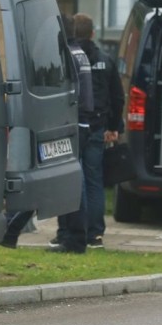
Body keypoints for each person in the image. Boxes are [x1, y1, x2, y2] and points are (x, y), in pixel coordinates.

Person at [73, 13, 125, 249]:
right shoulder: (106, 59)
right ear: (93, 33)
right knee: (94, 179)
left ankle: (73, 231)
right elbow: (117, 96)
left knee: (74, 178)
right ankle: (95, 234)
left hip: (73, 127)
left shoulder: (69, 58)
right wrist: (114, 127)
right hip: (97, 128)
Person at [45, 16, 95, 254]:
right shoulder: (79, 53)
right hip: (82, 124)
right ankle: (69, 235)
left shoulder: (68, 56)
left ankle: (74, 239)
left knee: (74, 183)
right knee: (75, 180)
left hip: (73, 124)